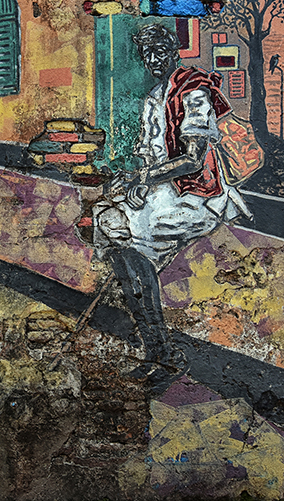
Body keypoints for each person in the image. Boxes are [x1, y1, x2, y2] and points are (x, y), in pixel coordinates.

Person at [94, 25, 253, 390]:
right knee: (110, 230)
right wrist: (130, 178)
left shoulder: (194, 91)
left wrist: (145, 180)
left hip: (195, 194)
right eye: (146, 55)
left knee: (130, 241)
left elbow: (193, 161)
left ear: (173, 53)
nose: (152, 61)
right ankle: (157, 350)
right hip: (161, 190)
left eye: (158, 53)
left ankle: (162, 353)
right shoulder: (153, 97)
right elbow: (148, 156)